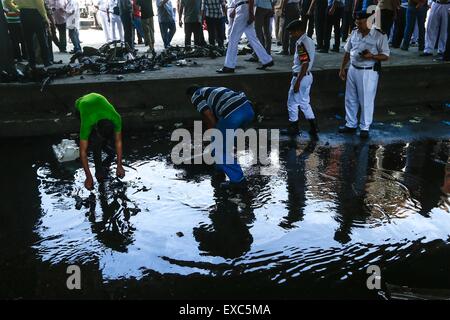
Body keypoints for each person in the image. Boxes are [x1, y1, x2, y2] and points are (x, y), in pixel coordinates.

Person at [186, 85, 255, 187]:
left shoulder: (196, 95)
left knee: (218, 147)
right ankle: (220, 167)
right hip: (248, 110)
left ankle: (238, 180)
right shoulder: (214, 90)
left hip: (233, 114)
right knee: (224, 140)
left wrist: (214, 131)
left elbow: (208, 114)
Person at [338, 11, 390, 139]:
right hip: (353, 69)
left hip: (368, 71)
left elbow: (386, 56)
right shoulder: (355, 33)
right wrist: (342, 68)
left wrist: (371, 56)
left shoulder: (379, 35)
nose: (358, 25)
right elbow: (347, 51)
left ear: (368, 22)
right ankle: (350, 124)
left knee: (366, 100)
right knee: (350, 98)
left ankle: (364, 127)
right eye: (357, 23)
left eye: (360, 23)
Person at [75, 93, 125, 190]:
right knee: (95, 142)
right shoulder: (87, 121)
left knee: (101, 141)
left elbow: (118, 142)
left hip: (98, 99)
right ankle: (98, 170)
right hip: (81, 103)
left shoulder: (116, 118)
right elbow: (83, 152)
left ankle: (104, 145)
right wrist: (88, 177)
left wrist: (120, 165)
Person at [217, 0, 274, 73]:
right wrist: (235, 11)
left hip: (243, 9)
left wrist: (251, 13)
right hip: (242, 8)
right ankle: (267, 60)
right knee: (252, 38)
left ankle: (229, 65)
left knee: (233, 38)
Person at [285, 19, 319, 138]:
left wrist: (297, 82)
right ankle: (314, 127)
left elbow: (304, 63)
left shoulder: (301, 44)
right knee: (304, 102)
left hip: (301, 76)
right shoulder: (308, 40)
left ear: (299, 31)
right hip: (308, 76)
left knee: (292, 103)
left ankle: (293, 127)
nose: (291, 35)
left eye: (292, 32)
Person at [16, 0, 52, 67]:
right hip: (35, 14)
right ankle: (46, 61)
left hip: (23, 14)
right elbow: (39, 3)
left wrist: (16, 9)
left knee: (28, 41)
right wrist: (45, 17)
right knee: (42, 39)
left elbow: (7, 2)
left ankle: (32, 62)